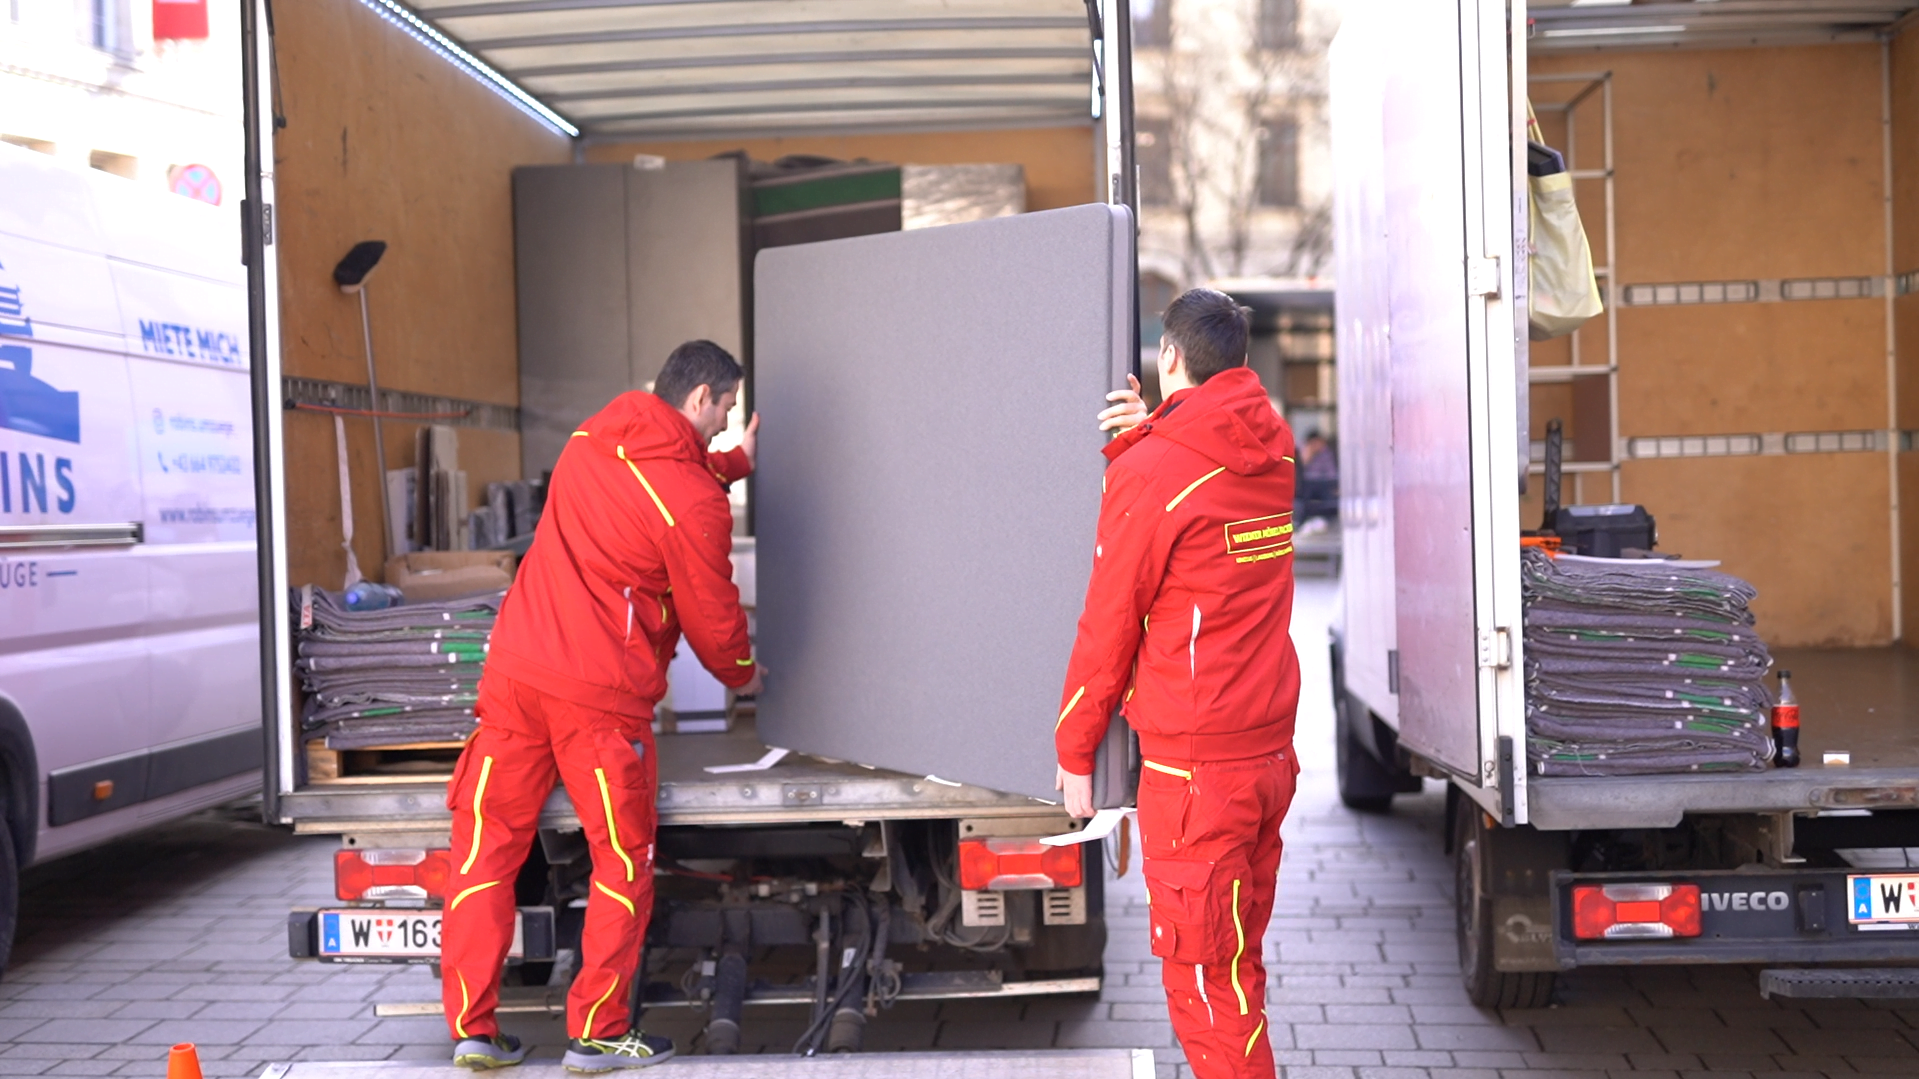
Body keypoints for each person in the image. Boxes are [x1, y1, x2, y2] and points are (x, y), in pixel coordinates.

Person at [441, 340, 763, 1072]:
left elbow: (665, 479)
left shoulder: (593, 437)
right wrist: (746, 673)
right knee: (620, 860)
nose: (722, 425)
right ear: (699, 396)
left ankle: (473, 1030)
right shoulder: (693, 501)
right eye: (724, 411)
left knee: (485, 855)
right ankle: (598, 1033)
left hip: (516, 678)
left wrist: (733, 462)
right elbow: (715, 623)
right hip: (598, 700)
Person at [1060, 288, 1301, 1079]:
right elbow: (1200, 483)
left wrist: (1074, 748)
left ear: (1168, 356)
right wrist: (1156, 430)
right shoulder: (1274, 450)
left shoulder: (1156, 471)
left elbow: (1108, 622)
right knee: (1235, 964)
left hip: (1196, 773)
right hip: (1265, 756)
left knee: (1203, 979)